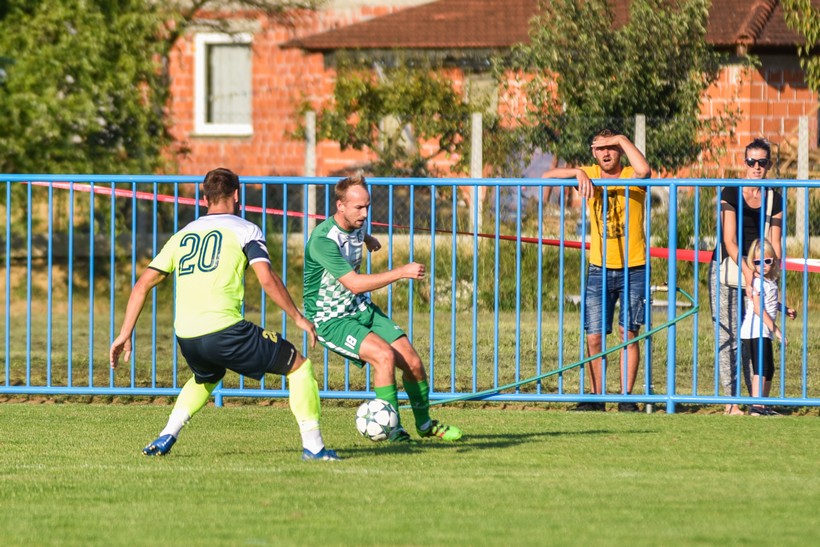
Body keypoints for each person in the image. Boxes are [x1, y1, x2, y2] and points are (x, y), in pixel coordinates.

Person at [109, 168, 340, 461]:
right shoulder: (246, 229)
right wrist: (298, 317)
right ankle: (315, 448)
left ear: (205, 198)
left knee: (207, 377)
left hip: (187, 337)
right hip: (225, 331)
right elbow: (267, 279)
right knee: (299, 366)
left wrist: (124, 333)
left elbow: (142, 284)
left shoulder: (184, 234)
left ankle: (168, 432)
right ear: (237, 195)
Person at [303, 174, 462, 442]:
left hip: (360, 309)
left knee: (412, 361)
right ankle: (394, 432)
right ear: (340, 206)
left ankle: (425, 425)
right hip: (331, 319)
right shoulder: (323, 240)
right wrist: (401, 271)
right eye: (359, 208)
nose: (365, 213)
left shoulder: (355, 225)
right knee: (384, 357)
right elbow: (354, 284)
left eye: (367, 207)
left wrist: (368, 239)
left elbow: (356, 234)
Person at [541, 129, 651, 412]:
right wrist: (578, 172)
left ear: (620, 151)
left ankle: (626, 399)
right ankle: (596, 397)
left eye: (612, 148)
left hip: (634, 267)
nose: (606, 153)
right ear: (593, 153)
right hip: (599, 268)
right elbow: (546, 176)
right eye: (601, 149)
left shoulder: (630, 175)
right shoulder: (589, 172)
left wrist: (622, 139)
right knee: (594, 335)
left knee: (629, 333)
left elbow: (645, 170)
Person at [709, 138, 784, 415]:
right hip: (730, 268)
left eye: (762, 162)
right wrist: (747, 271)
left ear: (769, 165)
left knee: (758, 335)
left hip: (761, 272)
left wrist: (770, 276)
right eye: (751, 161)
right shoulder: (732, 190)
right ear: (744, 162)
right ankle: (730, 403)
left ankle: (758, 403)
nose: (756, 167)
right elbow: (729, 239)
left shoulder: (775, 196)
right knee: (728, 335)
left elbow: (774, 244)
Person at [740, 238, 795, 416]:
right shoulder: (756, 283)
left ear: (774, 261)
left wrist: (784, 309)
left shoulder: (769, 281)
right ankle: (757, 406)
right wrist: (776, 330)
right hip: (756, 330)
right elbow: (758, 308)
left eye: (767, 261)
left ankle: (764, 404)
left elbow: (770, 302)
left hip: (763, 330)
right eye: (757, 262)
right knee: (760, 368)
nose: (762, 265)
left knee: (768, 368)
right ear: (752, 263)